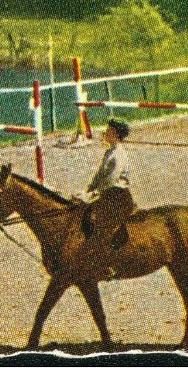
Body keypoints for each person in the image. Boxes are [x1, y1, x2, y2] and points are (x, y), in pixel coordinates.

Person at [79, 118, 136, 278]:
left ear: (116, 135)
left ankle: (107, 265)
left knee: (102, 225)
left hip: (117, 195)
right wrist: (88, 190)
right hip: (107, 193)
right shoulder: (109, 152)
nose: (106, 133)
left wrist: (93, 194)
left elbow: (111, 180)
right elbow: (99, 176)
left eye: (109, 131)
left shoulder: (118, 154)